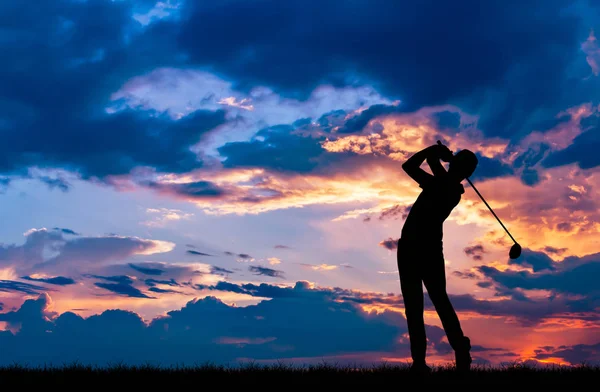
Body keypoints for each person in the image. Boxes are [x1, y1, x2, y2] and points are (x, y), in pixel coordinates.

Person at [397, 141, 478, 373]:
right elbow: (419, 166)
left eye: (458, 163)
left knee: (432, 302)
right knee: (419, 305)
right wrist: (434, 153)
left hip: (422, 249)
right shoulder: (444, 184)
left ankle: (458, 349)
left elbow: (412, 166)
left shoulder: (448, 188)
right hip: (415, 248)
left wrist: (433, 151)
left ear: (462, 169)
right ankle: (421, 362)